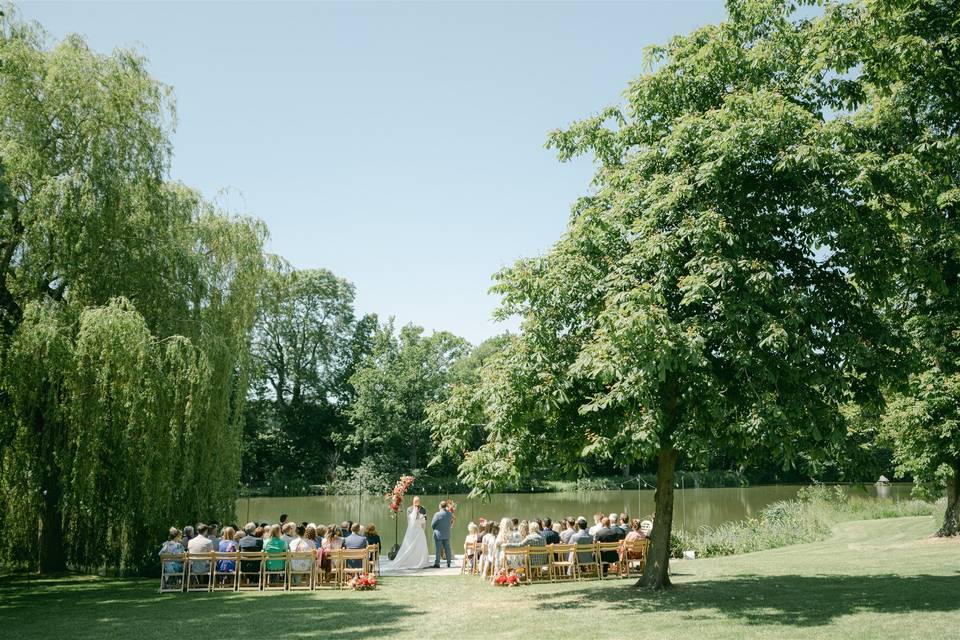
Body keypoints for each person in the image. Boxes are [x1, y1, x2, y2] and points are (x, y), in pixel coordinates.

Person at [391, 496, 430, 570]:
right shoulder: (409, 509)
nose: (416, 503)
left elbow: (425, 520)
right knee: (410, 546)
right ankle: (410, 560)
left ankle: (420, 560)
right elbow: (409, 521)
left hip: (420, 530)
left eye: (418, 501)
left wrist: (423, 529)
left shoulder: (423, 509)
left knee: (421, 546)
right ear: (413, 501)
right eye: (415, 501)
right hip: (412, 531)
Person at [431, 501, 454, 569]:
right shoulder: (449, 514)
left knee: (438, 549)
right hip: (446, 534)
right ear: (445, 506)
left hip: (438, 534)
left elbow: (432, 524)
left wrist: (435, 528)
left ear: (440, 506)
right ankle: (449, 562)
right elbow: (451, 523)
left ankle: (437, 563)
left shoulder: (437, 514)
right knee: (447, 549)